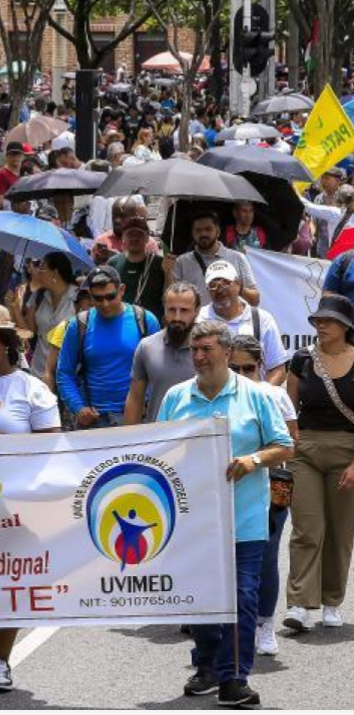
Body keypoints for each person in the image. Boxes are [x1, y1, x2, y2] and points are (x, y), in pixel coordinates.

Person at [157, 321, 294, 709]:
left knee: (242, 596)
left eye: (207, 350)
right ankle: (207, 665)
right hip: (193, 517)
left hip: (245, 517)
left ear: (227, 353)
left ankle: (234, 677)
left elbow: (284, 446)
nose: (199, 357)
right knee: (201, 596)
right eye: (194, 351)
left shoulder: (255, 396)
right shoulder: (176, 397)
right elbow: (159, 449)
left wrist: (253, 460)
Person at [282, 295, 354, 632]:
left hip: (348, 451)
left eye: (328, 320)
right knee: (307, 529)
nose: (321, 325)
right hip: (305, 449)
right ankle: (298, 602)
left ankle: (331, 601)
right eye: (318, 320)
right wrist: (290, 446)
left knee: (341, 532)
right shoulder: (302, 359)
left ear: (345, 326)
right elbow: (288, 408)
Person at [0, 306, 61, 694]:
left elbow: (53, 449)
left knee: (6, 585)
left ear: (5, 345)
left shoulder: (31, 389)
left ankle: (1, 661)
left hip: (14, 505)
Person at [226, 335, 298, 658]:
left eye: (248, 367)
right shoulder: (217, 394)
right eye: (234, 367)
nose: (242, 374)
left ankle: (265, 622)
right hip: (223, 487)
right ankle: (231, 625)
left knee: (266, 559)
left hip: (270, 488)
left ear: (261, 367)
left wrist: (257, 458)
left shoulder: (273, 395)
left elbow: (290, 442)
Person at [56, 266, 161, 429]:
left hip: (137, 417)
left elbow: (158, 370)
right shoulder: (78, 325)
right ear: (90, 295)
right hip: (93, 420)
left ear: (122, 290)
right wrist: (78, 408)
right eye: (98, 299)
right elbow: (64, 372)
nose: (105, 304)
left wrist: (147, 403)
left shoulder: (145, 320)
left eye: (110, 297)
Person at [198, 261, 288, 384]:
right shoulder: (199, 320)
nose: (219, 289)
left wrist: (260, 397)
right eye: (213, 285)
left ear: (238, 284)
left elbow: (278, 369)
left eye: (225, 283)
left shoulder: (262, 319)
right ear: (208, 290)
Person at [123, 282, 199, 424]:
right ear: (164, 310)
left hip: (198, 437)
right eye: (171, 310)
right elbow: (135, 398)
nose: (177, 317)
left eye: (184, 310)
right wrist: (128, 440)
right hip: (159, 437)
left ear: (197, 311)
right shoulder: (147, 347)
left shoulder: (209, 349)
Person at [168, 210, 260, 307]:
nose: (203, 234)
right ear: (192, 233)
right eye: (198, 230)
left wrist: (235, 287)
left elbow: (255, 300)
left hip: (230, 321)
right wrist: (167, 272)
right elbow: (171, 301)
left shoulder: (237, 258)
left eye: (208, 229)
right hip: (198, 321)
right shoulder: (182, 262)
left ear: (218, 231)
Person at [9, 252, 77, 380]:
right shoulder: (38, 296)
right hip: (38, 372)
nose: (38, 272)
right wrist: (15, 308)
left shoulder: (78, 297)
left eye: (42, 267)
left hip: (67, 377)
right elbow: (29, 332)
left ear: (54, 272)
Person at [107, 215, 166, 321]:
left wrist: (169, 273)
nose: (134, 238)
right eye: (130, 234)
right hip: (122, 323)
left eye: (139, 234)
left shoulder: (160, 263)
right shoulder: (113, 263)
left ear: (147, 238)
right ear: (123, 238)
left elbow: (168, 296)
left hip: (152, 325)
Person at [42, 286, 93, 393]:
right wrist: (48, 401)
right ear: (77, 304)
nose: (91, 300)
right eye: (86, 298)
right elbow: (49, 370)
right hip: (67, 394)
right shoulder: (65, 327)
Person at [302, 184, 354, 260]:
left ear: (336, 199)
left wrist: (293, 191)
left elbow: (308, 207)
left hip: (337, 258)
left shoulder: (333, 213)